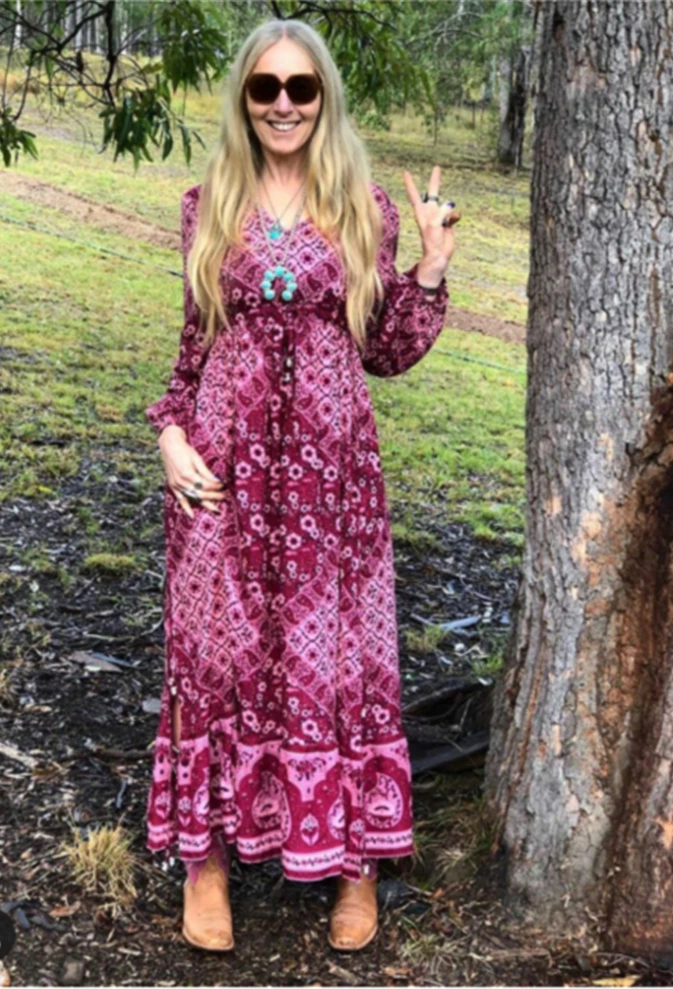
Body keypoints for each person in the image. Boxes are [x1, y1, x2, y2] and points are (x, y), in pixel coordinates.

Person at [144, 18, 456, 953]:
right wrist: (169, 435)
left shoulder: (365, 207)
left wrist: (430, 267)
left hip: (332, 481)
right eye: (266, 88)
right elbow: (192, 348)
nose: (284, 104)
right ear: (245, 99)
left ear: (324, 98)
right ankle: (205, 864)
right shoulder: (208, 205)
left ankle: (355, 862)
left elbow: (387, 349)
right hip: (223, 472)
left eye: (301, 88)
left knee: (338, 659)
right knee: (216, 657)